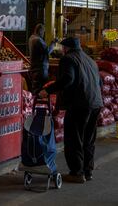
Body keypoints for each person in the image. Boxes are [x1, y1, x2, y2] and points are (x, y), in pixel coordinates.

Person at [39, 37, 103, 183]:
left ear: (66, 48)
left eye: (62, 48)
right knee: (88, 139)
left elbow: (68, 78)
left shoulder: (68, 59)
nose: (61, 50)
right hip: (95, 104)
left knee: (74, 139)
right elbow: (99, 82)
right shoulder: (90, 60)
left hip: (79, 104)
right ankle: (87, 171)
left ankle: (76, 173)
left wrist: (48, 90)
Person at [28, 23, 57, 94]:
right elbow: (47, 51)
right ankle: (39, 104)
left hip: (34, 68)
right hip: (40, 70)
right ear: (40, 31)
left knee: (35, 89)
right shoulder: (38, 40)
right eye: (43, 32)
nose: (43, 34)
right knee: (41, 90)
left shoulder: (31, 38)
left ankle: (35, 103)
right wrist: (53, 43)